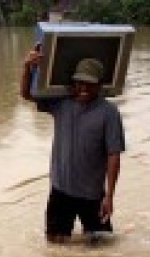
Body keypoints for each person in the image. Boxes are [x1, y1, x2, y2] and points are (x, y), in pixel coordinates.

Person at [20, 46, 126, 244]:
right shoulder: (61, 103)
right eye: (79, 83)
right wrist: (27, 67)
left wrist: (109, 196)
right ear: (73, 82)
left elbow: (114, 155)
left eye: (90, 84)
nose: (84, 89)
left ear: (100, 86)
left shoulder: (109, 113)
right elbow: (27, 94)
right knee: (55, 248)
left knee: (102, 252)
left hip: (92, 194)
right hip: (61, 190)